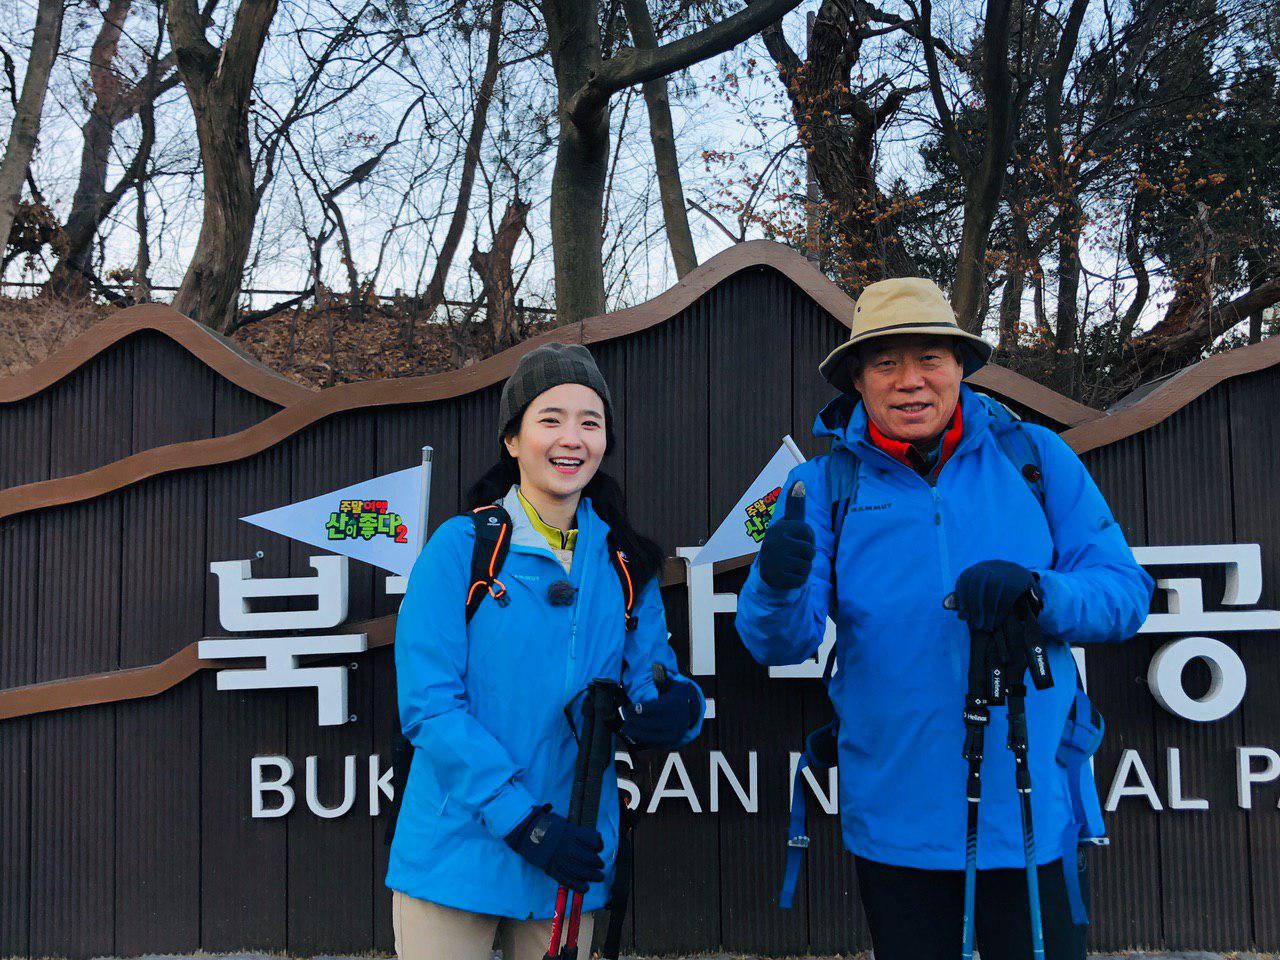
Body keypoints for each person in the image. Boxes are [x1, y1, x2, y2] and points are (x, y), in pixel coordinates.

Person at [734, 277, 1153, 960]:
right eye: (885, 362)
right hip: (897, 821)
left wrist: (1039, 594)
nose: (910, 382)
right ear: (858, 381)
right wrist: (777, 581)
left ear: (960, 367)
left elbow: (1124, 594)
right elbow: (779, 641)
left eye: (930, 358)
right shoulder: (824, 485)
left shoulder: (1037, 459)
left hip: (1030, 814)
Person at [387, 342, 705, 960]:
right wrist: (522, 821)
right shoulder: (460, 550)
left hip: (571, 852)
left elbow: (652, 677)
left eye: (590, 422)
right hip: (458, 855)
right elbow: (430, 705)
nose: (572, 438)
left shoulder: (624, 562)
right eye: (550, 419)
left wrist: (675, 708)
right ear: (514, 440)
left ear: (605, 442)